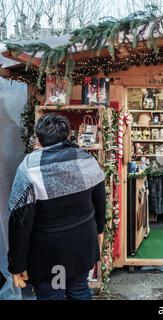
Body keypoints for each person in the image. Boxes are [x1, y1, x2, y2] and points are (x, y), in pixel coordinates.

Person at [7, 113, 105, 300]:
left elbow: (20, 221)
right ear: (67, 135)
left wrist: (17, 264)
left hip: (51, 255)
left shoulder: (29, 167)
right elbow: (100, 201)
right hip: (83, 244)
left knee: (53, 295)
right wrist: (99, 230)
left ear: (39, 137)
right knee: (79, 290)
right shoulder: (86, 159)